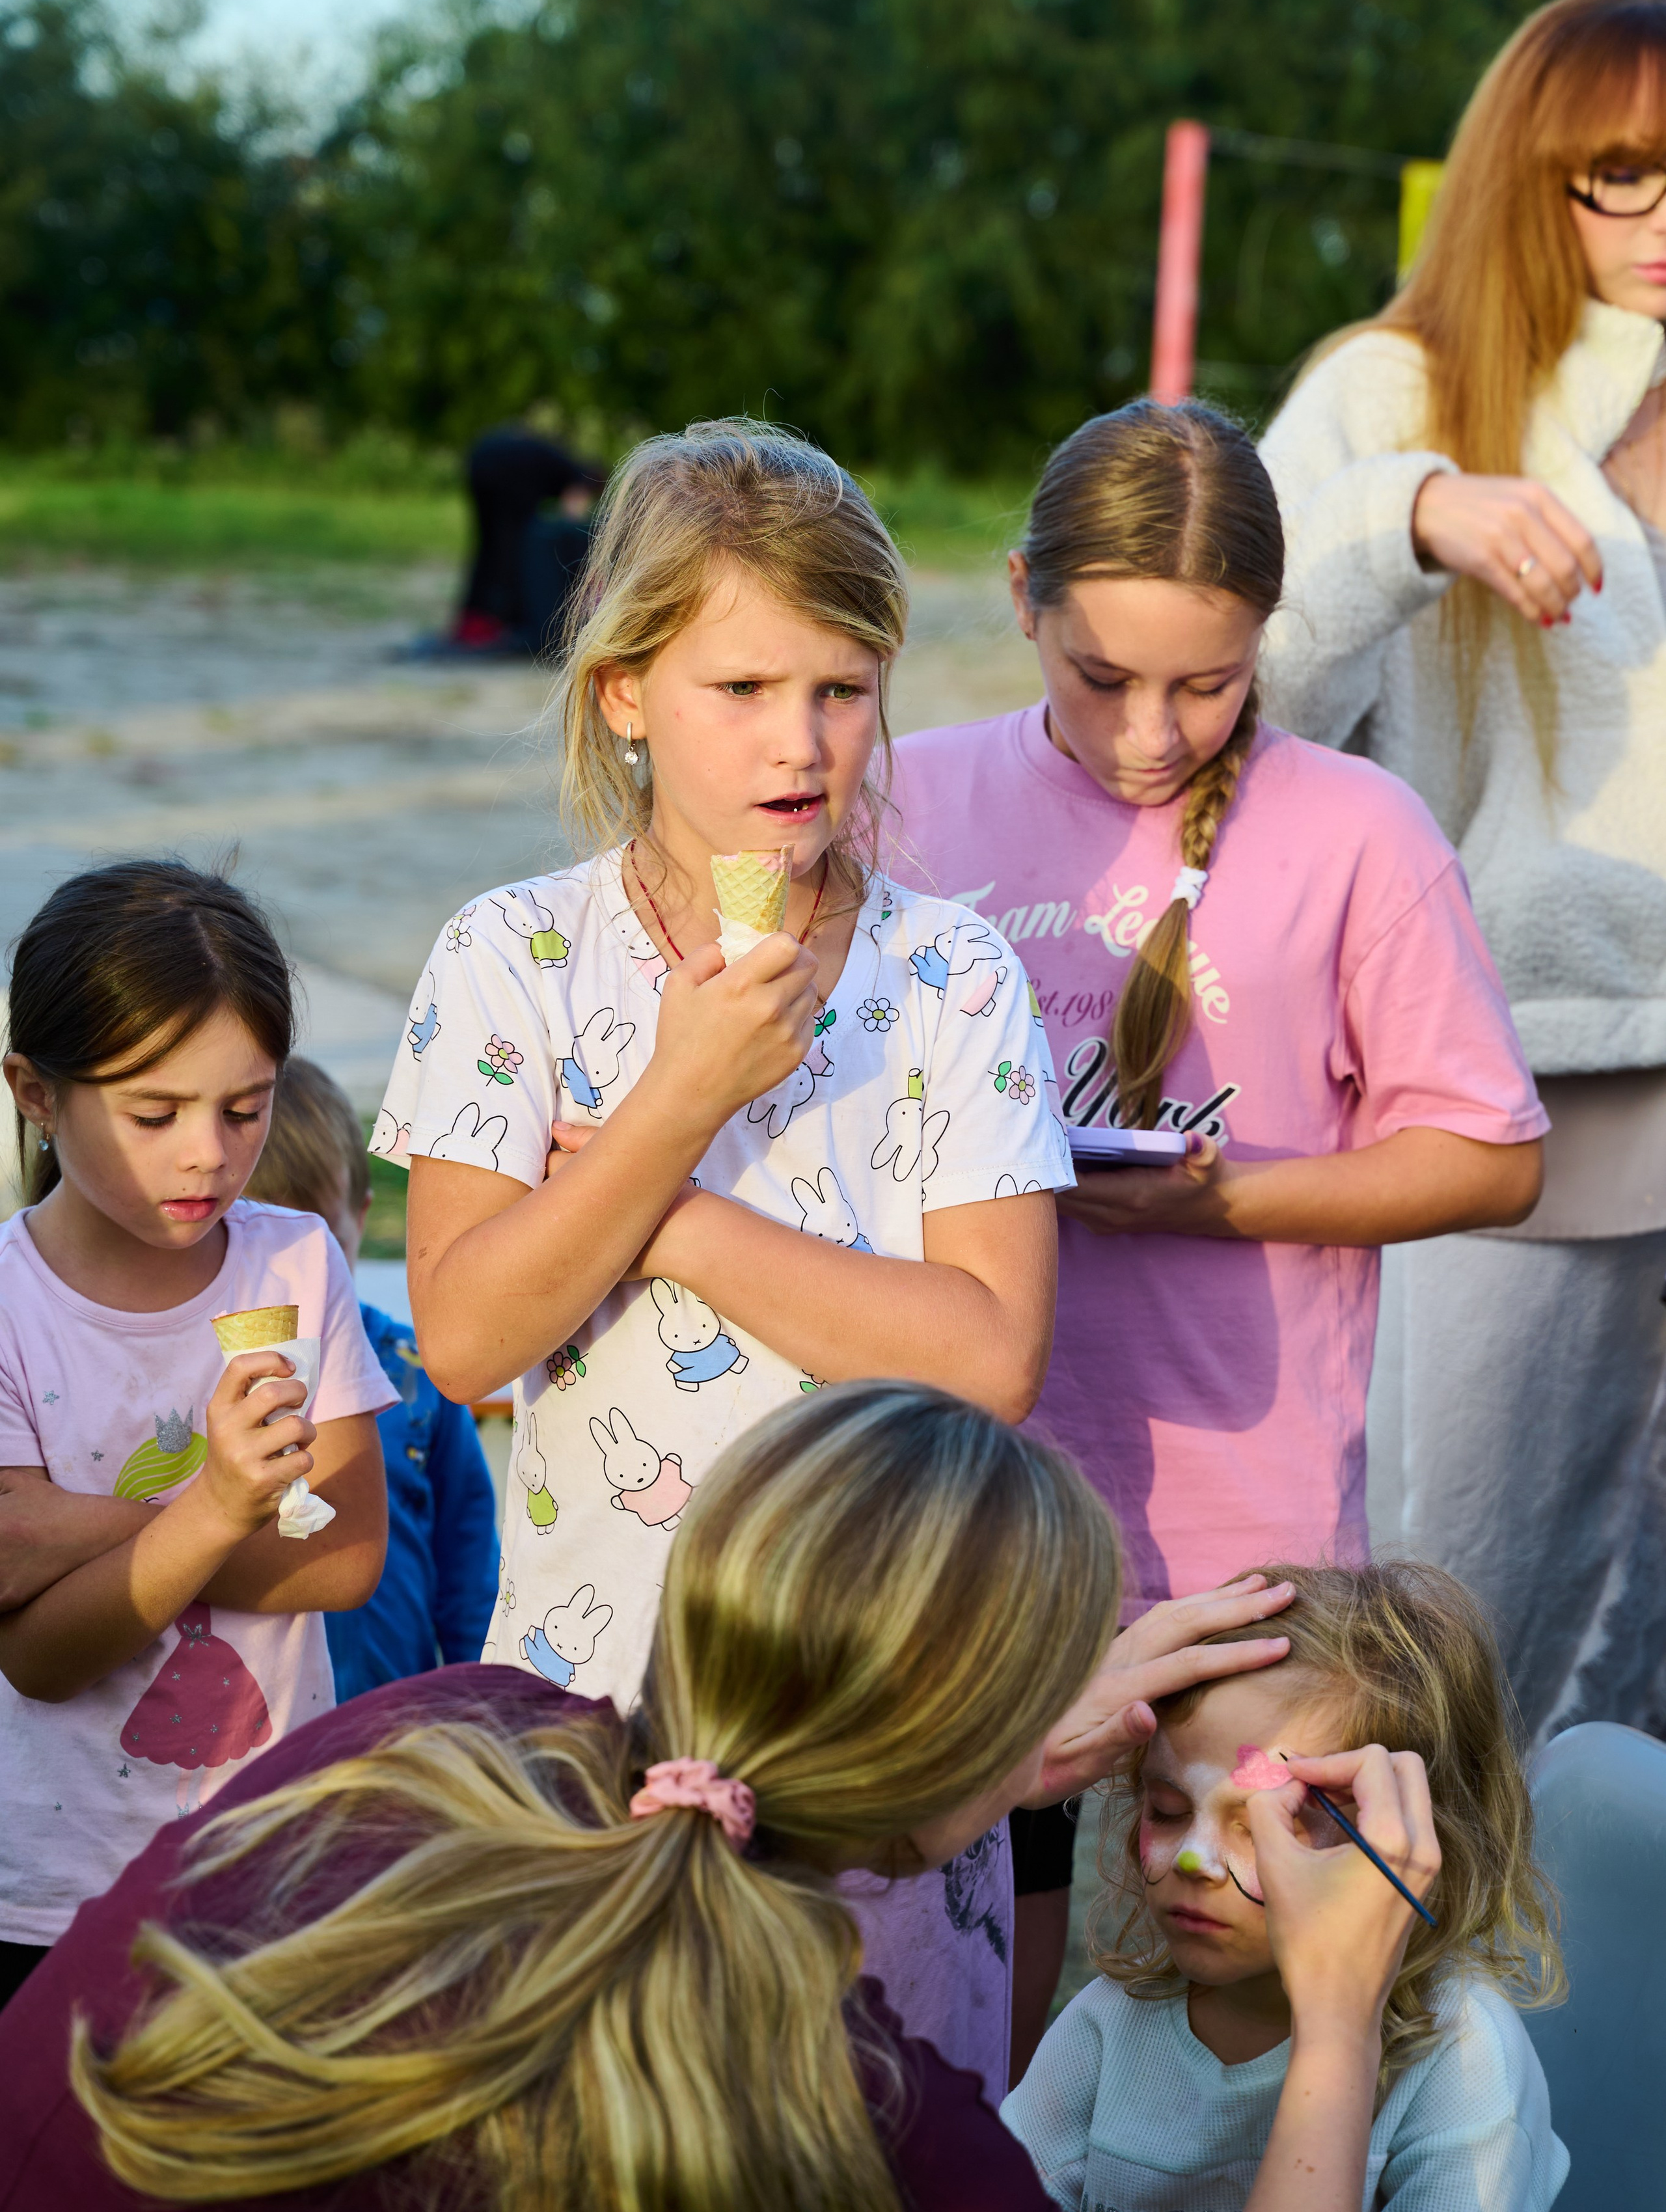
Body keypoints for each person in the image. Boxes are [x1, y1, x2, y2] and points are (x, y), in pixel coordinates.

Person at [372, 415, 1077, 2098]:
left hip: (889, 1725)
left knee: (874, 2127)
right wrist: (682, 1092)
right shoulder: (513, 965)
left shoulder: (954, 977)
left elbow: (988, 1358)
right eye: (741, 691)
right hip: (591, 1733)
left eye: (842, 689)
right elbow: (466, 1337)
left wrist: (663, 1214)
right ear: (625, 693)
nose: (802, 743)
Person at [5, 1385, 1434, 2212]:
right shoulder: (876, 2117)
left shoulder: (442, 1722)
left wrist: (964, 1765)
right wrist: (1331, 2030)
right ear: (966, 1767)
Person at [889, 398, 1546, 2073]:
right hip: (969, 1520)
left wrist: (1218, 1193)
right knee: (994, 2033)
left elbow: (1487, 1155)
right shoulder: (910, 799)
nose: (1148, 731)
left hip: (1245, 1557)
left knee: (1217, 2028)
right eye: (1100, 676)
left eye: (1208, 679)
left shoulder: (1354, 832)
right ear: (1023, 598)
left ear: (1265, 635)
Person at [1258, 0, 1666, 1742]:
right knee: (1453, 1587)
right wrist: (1416, 515)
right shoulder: (1393, 386)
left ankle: (1591, 1999)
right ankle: (1400, 1982)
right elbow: (1237, 658)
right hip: (1506, 1081)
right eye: (1621, 178)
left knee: (1641, 1632)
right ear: (1528, 178)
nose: (1659, 225)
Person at [0, 862, 394, 2013]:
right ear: (34, 1090)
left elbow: (346, 1555)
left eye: (245, 1104)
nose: (209, 1156)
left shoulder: (296, 1259)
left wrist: (67, 1530)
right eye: (152, 1112)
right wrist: (228, 1504)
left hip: (274, 1862)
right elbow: (39, 1655)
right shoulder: (13, 1308)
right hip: (49, 1894)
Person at [1005, 1559, 1567, 2211]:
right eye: (1166, 1807)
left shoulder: (1461, 2059)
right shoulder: (1110, 2024)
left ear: (1417, 1840)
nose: (1194, 1859)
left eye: (1270, 1823)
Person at [245, 1056, 498, 1698]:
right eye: (263, 1248)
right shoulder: (209, 1381)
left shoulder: (418, 1372)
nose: (295, 1274)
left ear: (359, 1216)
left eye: (318, 1243)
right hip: (249, 1729)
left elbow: (469, 1566)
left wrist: (485, 1703)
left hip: (395, 1727)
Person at [447, 423, 607, 653]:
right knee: (512, 551)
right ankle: (500, 617)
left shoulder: (556, 460)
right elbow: (572, 520)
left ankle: (478, 616)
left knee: (489, 547)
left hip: (481, 460)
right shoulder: (577, 476)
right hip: (506, 472)